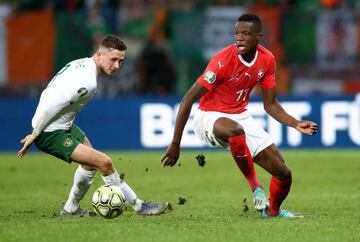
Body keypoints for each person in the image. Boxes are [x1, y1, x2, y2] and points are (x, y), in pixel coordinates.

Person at [161, 14, 317, 218]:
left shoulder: (267, 59)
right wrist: (175, 143)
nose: (239, 38)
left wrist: (295, 123)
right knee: (235, 131)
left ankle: (272, 212)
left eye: (245, 33)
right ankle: (256, 188)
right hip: (209, 116)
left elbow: (270, 104)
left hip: (240, 115)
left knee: (283, 173)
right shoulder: (222, 61)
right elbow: (188, 99)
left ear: (258, 37)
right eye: (236, 33)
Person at [18, 35, 169, 216]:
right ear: (99, 54)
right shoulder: (87, 82)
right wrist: (36, 133)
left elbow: (49, 91)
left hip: (62, 125)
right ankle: (139, 206)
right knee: (104, 162)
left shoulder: (80, 64)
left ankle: (71, 209)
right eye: (113, 60)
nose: (116, 66)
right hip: (51, 132)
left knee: (89, 164)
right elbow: (52, 103)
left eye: (120, 61)